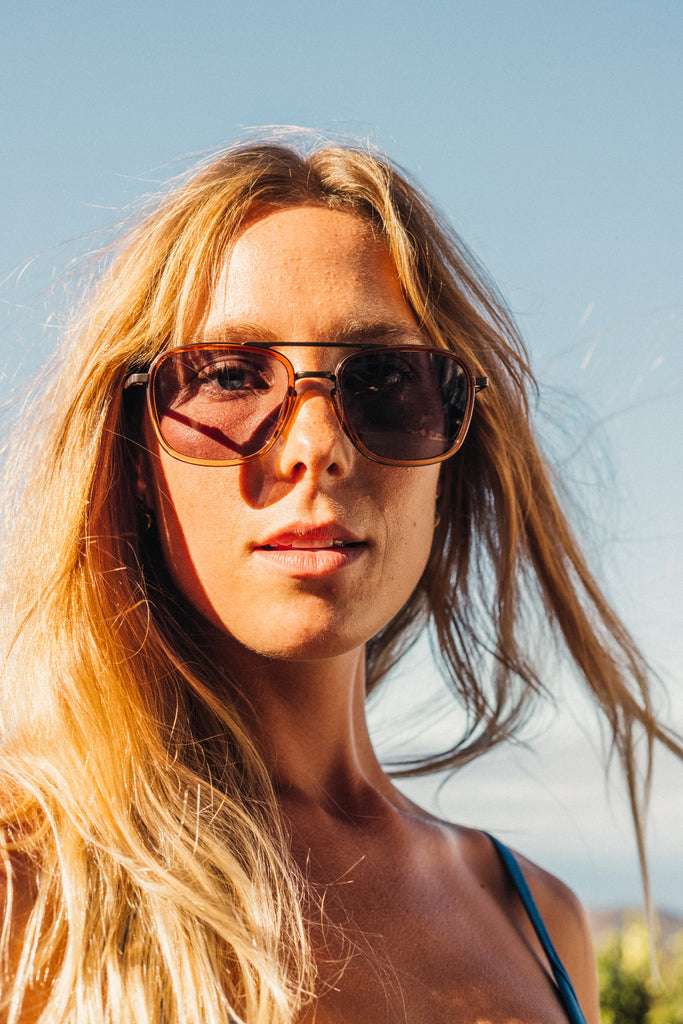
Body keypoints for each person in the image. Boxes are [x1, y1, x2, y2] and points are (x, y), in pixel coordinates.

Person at [0, 135, 679, 1024]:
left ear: (452, 447)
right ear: (131, 449)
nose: (315, 446)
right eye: (229, 377)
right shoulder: (28, 891)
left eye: (388, 378)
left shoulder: (536, 921)